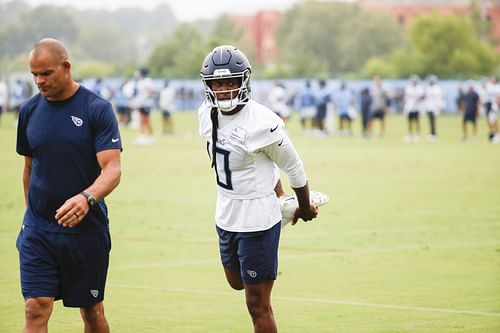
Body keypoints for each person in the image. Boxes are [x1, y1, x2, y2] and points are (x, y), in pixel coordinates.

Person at [198, 45, 318, 333]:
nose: (224, 89)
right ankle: (281, 210)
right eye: (218, 83)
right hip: (226, 212)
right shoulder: (205, 113)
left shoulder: (264, 123)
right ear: (208, 85)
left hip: (257, 218)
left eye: (231, 82)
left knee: (257, 304)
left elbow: (294, 168)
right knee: (235, 282)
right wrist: (280, 195)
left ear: (244, 82)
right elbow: (262, 164)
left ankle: (280, 215)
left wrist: (302, 205)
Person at [15, 38, 122, 333]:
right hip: (39, 231)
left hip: (86, 232)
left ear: (66, 67)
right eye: (34, 74)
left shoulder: (96, 109)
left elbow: (112, 169)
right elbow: (28, 168)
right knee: (35, 306)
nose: (39, 81)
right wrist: (33, 218)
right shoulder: (28, 112)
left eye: (46, 73)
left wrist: (86, 198)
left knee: (91, 312)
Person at [132, 67, 155, 145]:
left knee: (145, 120)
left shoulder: (147, 81)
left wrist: (144, 98)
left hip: (146, 104)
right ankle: (147, 136)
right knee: (144, 120)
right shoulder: (140, 82)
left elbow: (150, 91)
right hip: (141, 104)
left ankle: (144, 137)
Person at [403, 74, 424, 143]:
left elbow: (421, 97)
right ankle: (410, 134)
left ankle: (417, 134)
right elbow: (406, 97)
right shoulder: (408, 88)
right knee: (410, 121)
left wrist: (417, 100)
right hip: (409, 107)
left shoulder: (419, 88)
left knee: (417, 121)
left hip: (417, 107)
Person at [423, 75, 444, 142]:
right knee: (430, 120)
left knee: (432, 120)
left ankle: (433, 133)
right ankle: (431, 133)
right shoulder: (428, 88)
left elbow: (439, 99)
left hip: (434, 107)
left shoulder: (437, 88)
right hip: (429, 106)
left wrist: (440, 107)